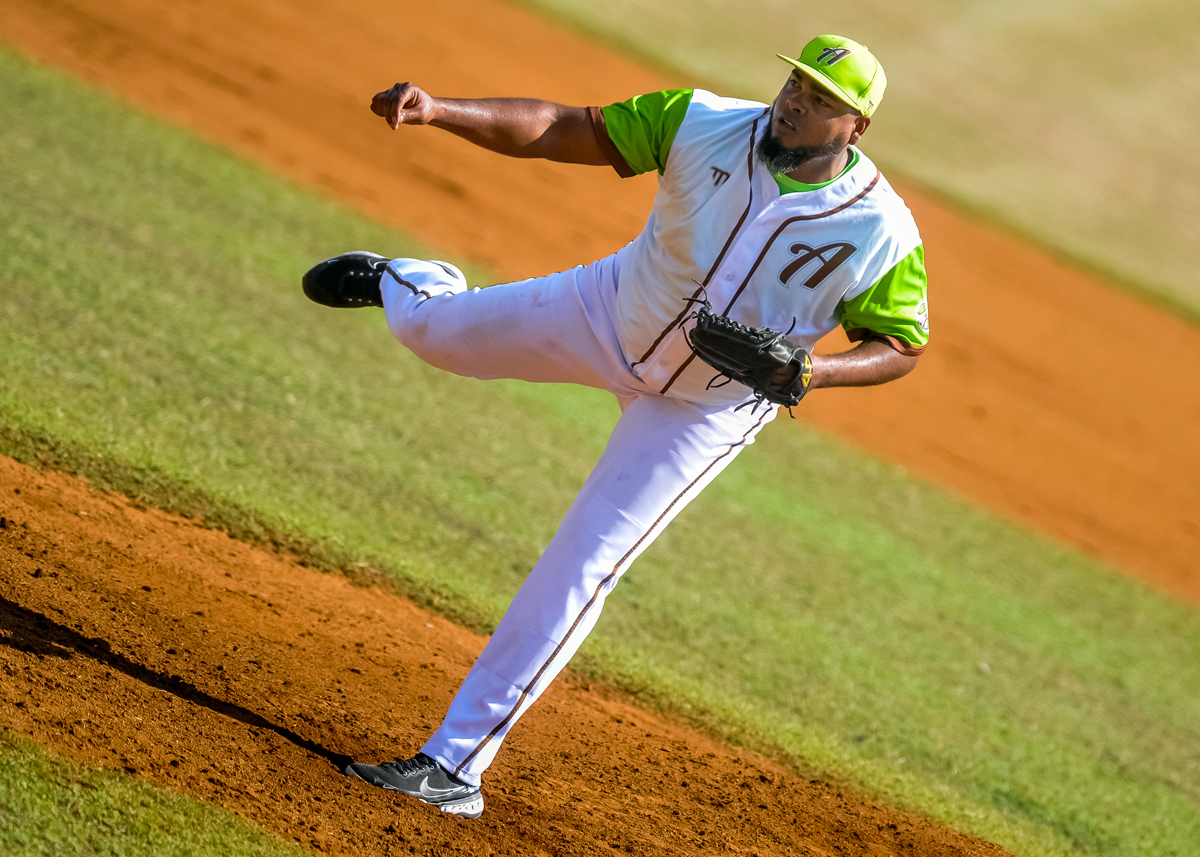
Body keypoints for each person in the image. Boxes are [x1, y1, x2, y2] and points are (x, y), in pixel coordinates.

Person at [303, 34, 928, 819]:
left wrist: (812, 371)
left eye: (823, 101)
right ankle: (411, 280)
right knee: (432, 333)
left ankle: (453, 765)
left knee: (584, 560)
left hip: (705, 406)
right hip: (607, 312)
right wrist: (441, 110)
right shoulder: (698, 119)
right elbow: (568, 126)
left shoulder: (882, 229)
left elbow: (900, 345)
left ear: (855, 129)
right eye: (797, 84)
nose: (797, 102)